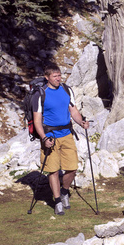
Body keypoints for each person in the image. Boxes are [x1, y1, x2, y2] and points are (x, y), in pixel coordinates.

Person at [32, 63, 90, 215]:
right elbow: (37, 120)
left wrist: (81, 122)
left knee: (72, 167)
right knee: (52, 170)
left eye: (59, 75)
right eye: (55, 76)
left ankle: (64, 192)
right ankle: (57, 201)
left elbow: (73, 110)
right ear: (47, 77)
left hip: (67, 134)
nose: (58, 78)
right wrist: (44, 138)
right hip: (49, 136)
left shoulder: (66, 90)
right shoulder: (40, 94)